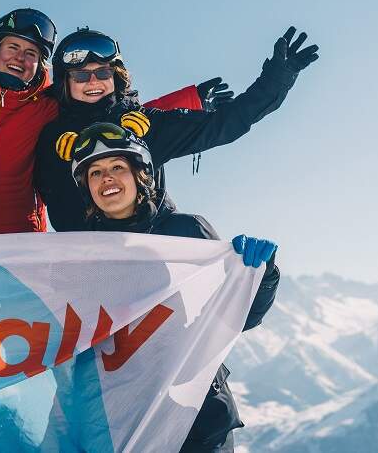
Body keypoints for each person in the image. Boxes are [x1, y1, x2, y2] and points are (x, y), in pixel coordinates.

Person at [61, 122, 280, 452]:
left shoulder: (184, 232)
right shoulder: (82, 255)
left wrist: (261, 275)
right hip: (123, 420)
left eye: (118, 167)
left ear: (140, 176)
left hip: (195, 416)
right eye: (95, 172)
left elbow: (237, 317)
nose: (106, 178)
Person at [0, 9, 233, 234]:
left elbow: (115, 116)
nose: (20, 58)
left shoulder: (48, 104)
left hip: (19, 240)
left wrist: (190, 100)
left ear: (41, 66)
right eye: (13, 47)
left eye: (31, 53)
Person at [35, 26, 319, 231]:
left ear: (116, 76)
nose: (93, 82)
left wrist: (276, 80)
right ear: (65, 83)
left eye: (103, 72)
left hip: (159, 245)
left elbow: (223, 124)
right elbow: (47, 200)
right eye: (81, 75)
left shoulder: (143, 125)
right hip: (88, 262)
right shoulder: (51, 138)